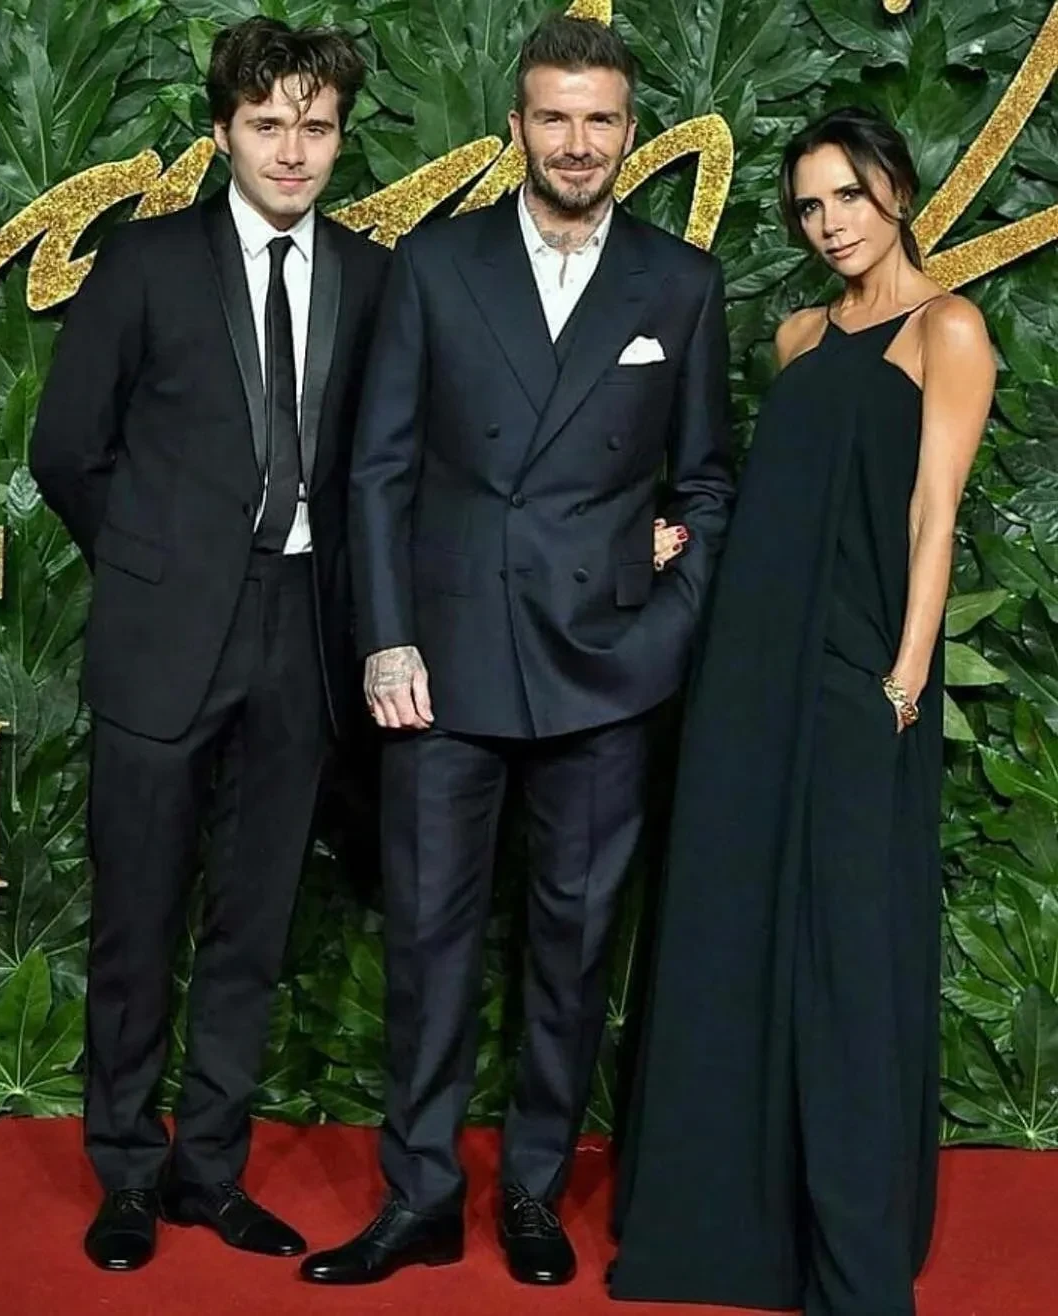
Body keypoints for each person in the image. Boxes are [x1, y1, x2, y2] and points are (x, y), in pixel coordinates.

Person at [299, 14, 734, 1290]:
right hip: (444, 666)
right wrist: (387, 639)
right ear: (517, 126)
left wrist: (665, 630)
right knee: (428, 947)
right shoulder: (437, 264)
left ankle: (534, 1189)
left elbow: (706, 485)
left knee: (572, 948)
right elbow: (377, 469)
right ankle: (421, 1196)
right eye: (555, 116)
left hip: (605, 671)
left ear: (632, 131)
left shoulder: (681, 283)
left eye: (600, 118)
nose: (578, 141)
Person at [609, 107, 995, 1315]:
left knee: (846, 949)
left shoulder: (948, 328)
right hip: (750, 670)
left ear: (898, 191)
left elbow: (934, 514)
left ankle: (847, 1239)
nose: (830, 224)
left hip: (858, 674)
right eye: (810, 206)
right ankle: (735, 1225)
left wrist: (905, 678)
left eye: (849, 197)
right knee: (736, 921)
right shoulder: (795, 336)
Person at [29, 17, 389, 1273]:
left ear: (338, 138)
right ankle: (127, 1171)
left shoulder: (371, 276)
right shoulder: (142, 262)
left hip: (303, 631)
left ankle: (212, 1171)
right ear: (224, 130)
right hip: (163, 634)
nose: (293, 150)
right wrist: (154, 563)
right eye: (268, 124)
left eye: (315, 127)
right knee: (136, 919)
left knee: (253, 921)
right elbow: (66, 448)